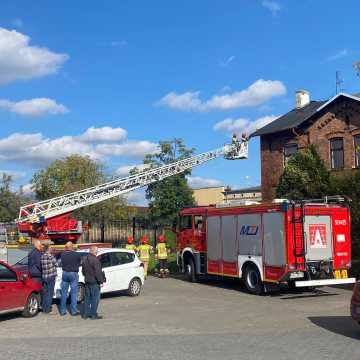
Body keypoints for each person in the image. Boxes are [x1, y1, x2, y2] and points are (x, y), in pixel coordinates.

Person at [82, 246, 105, 320]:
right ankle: (93, 314)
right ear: (94, 252)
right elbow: (98, 272)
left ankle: (86, 314)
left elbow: (83, 271)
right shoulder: (95, 260)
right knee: (95, 299)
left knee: (87, 298)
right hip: (94, 282)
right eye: (97, 251)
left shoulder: (85, 259)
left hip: (87, 281)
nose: (97, 252)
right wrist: (101, 281)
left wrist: (87, 276)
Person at [59, 241, 82, 316]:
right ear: (72, 246)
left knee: (64, 293)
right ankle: (73, 311)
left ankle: (62, 311)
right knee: (74, 293)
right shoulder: (76, 254)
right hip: (73, 273)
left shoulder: (63, 254)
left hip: (65, 273)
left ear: (66, 247)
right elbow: (80, 262)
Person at [40, 244, 57, 314]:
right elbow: (56, 264)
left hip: (44, 276)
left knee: (45, 293)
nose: (51, 249)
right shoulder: (50, 256)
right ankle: (48, 309)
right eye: (50, 248)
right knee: (50, 293)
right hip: (50, 276)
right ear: (48, 249)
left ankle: (44, 308)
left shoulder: (42, 256)